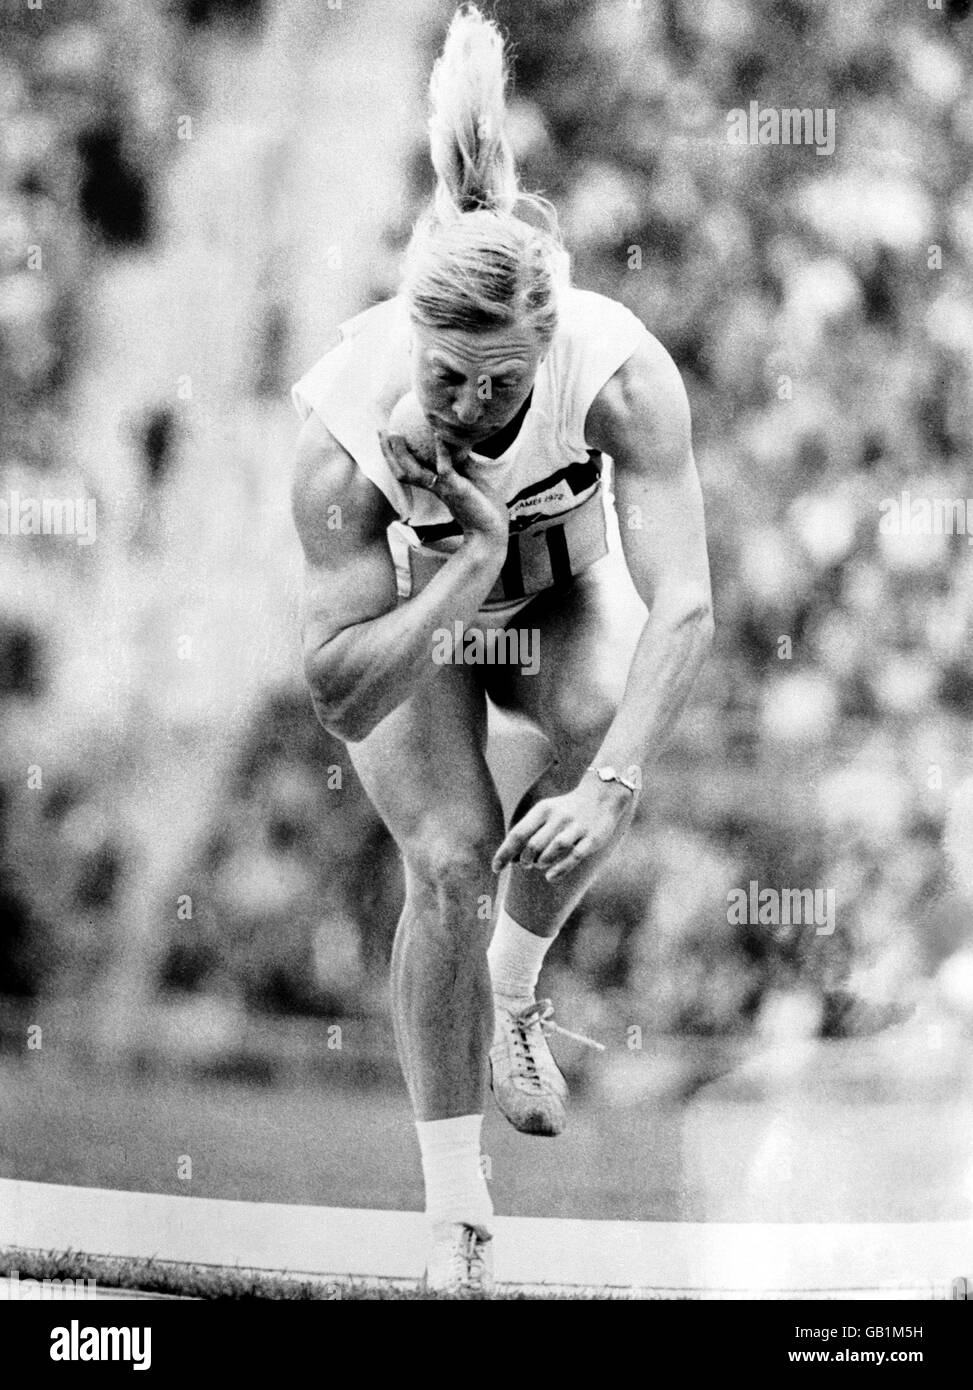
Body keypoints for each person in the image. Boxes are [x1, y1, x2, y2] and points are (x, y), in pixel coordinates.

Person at [291, 4, 712, 1294]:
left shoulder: (619, 373)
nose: (470, 411)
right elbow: (338, 695)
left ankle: (515, 991)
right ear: (413, 338)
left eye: (500, 387)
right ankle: (454, 1210)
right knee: (449, 853)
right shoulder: (344, 432)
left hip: (557, 602)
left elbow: (687, 606)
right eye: (448, 378)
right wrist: (467, 561)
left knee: (606, 703)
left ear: (548, 346)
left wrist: (611, 788)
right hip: (425, 619)